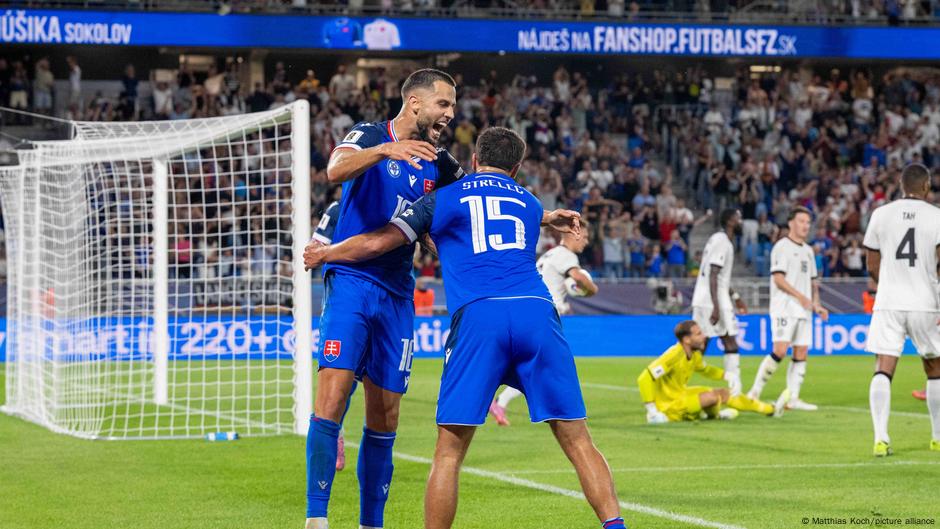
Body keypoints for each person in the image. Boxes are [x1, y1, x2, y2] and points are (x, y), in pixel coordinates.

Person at [304, 127, 630, 529]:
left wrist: (327, 251)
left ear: (474, 160)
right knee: (580, 441)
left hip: (480, 319)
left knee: (448, 453)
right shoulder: (528, 202)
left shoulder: (441, 199)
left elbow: (376, 244)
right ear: (518, 167)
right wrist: (549, 216)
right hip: (536, 313)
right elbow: (503, 207)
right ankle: (616, 525)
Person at [302, 68, 465, 529]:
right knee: (331, 395)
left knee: (386, 413)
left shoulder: (440, 161)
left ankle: (370, 524)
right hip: (352, 279)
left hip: (397, 294)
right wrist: (384, 150)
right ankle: (317, 519)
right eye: (444, 104)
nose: (450, 115)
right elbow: (335, 169)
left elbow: (475, 197)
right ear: (415, 103)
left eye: (452, 107)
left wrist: (545, 213)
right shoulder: (371, 133)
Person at [862, 164, 940, 456]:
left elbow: (872, 265)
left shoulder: (881, 215)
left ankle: (881, 438)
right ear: (927, 186)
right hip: (925, 302)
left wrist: (891, 285)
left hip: (889, 302)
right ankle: (937, 437)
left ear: (900, 185)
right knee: (934, 367)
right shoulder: (937, 216)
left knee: (884, 366)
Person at [489, 218, 598, 427]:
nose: (585, 242)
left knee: (532, 363)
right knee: (545, 365)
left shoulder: (551, 254)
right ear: (573, 235)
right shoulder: (566, 256)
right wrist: (592, 289)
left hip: (530, 311)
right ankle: (559, 412)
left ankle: (498, 401)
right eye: (584, 237)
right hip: (544, 315)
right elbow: (579, 278)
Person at [690, 209, 773, 415]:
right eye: (737, 217)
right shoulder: (721, 241)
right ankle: (734, 391)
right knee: (721, 344)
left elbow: (718, 278)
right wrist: (717, 306)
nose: (740, 220)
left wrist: (736, 298)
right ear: (728, 220)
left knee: (702, 347)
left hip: (711, 299)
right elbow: (713, 273)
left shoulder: (719, 239)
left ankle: (731, 389)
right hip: (712, 301)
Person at [747, 206, 829, 413]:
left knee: (801, 351)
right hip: (784, 307)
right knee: (780, 350)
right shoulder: (781, 247)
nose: (805, 226)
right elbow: (778, 279)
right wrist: (801, 297)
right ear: (791, 223)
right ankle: (754, 392)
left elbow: (813, 282)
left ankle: (793, 398)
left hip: (804, 309)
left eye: (808, 223)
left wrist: (816, 304)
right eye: (801, 221)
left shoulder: (809, 251)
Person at [638, 321, 756, 424]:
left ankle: (714, 415)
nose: (704, 336)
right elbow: (644, 378)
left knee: (718, 393)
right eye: (699, 334)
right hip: (670, 405)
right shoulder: (673, 356)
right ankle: (660, 417)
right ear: (687, 339)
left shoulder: (694, 354)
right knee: (712, 396)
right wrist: (652, 410)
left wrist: (727, 375)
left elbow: (706, 370)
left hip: (680, 395)